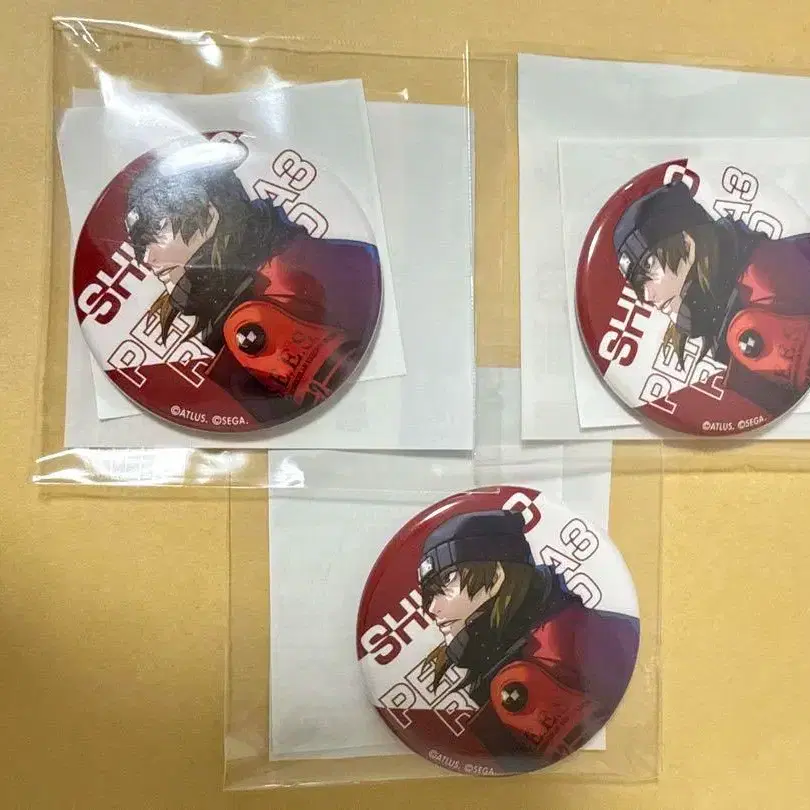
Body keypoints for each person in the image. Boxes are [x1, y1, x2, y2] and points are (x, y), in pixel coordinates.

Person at [124, 138, 381, 421]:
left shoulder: (278, 291)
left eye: (156, 232)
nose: (146, 258)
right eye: (139, 245)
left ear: (209, 214)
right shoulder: (248, 291)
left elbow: (351, 410)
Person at [417, 510, 639, 769]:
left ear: (496, 576)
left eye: (447, 581)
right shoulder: (558, 632)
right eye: (429, 595)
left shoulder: (538, 666)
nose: (432, 608)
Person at [613, 180, 810, 411]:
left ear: (687, 243)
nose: (647, 295)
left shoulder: (764, 282)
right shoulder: (724, 311)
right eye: (639, 283)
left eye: (650, 265)